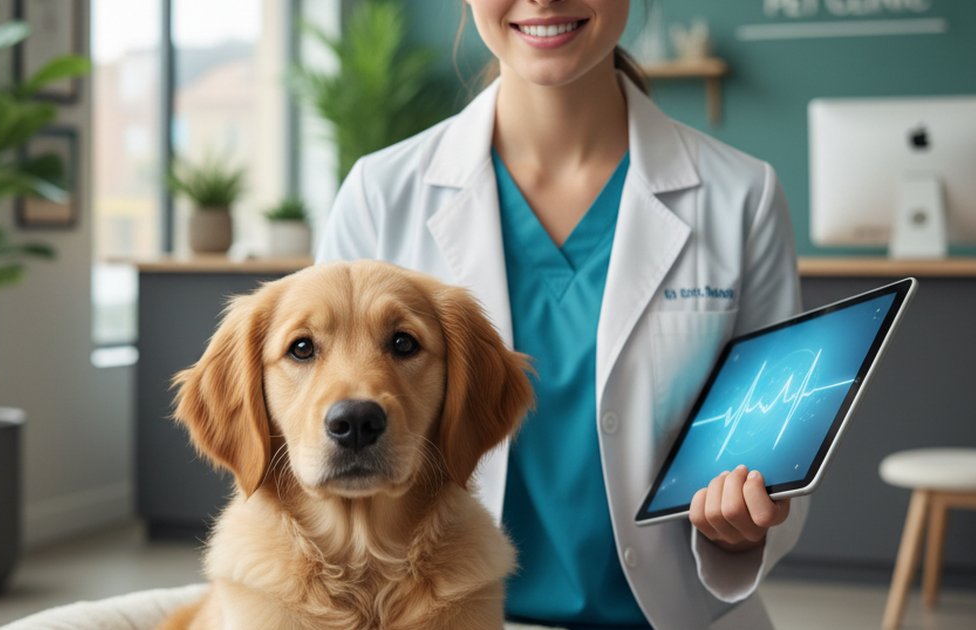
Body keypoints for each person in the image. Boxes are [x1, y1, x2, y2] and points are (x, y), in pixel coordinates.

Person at [316, 1, 808, 627]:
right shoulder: (379, 195)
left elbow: (781, 461)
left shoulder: (743, 198)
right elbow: (321, 453)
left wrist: (741, 531)